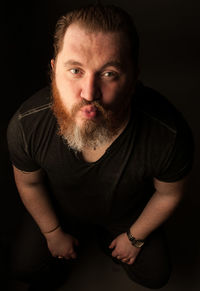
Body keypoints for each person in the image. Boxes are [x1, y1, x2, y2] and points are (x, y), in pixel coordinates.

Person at [7, 3, 194, 290]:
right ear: (54, 70)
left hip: (126, 215)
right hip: (62, 212)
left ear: (133, 77)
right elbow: (30, 185)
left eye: (109, 73)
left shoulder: (168, 134)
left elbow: (169, 192)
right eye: (75, 70)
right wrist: (53, 232)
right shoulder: (26, 125)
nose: (90, 93)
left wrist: (134, 237)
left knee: (156, 275)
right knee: (23, 268)